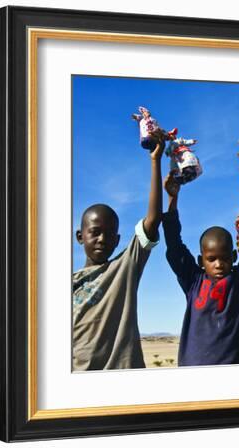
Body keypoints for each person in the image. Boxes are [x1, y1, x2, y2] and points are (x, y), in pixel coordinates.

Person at [72, 141, 164, 371]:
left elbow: (152, 222)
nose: (102, 239)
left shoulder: (124, 268)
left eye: (109, 234)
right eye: (95, 232)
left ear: (117, 239)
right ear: (80, 236)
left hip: (123, 383)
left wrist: (155, 161)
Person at [161, 170, 239, 366]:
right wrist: (172, 199)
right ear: (201, 261)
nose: (218, 264)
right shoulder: (194, 281)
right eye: (211, 259)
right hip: (195, 372)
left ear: (233, 257)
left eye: (224, 258)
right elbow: (175, 245)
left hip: (236, 371)